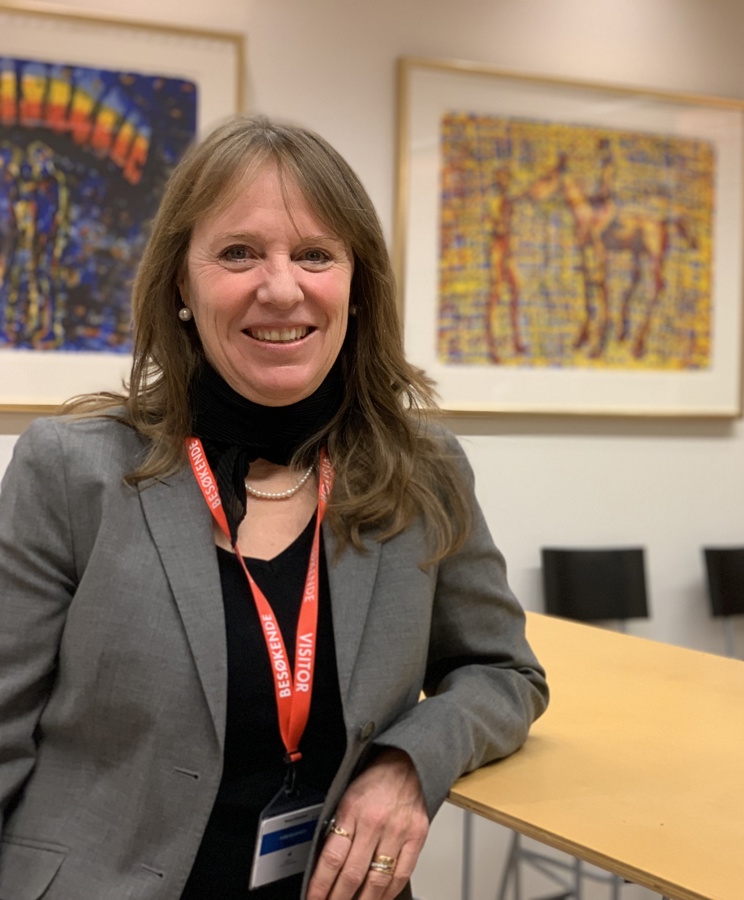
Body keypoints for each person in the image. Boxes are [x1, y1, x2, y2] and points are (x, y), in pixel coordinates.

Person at [0, 117, 549, 900]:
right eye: (238, 253)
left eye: (316, 254)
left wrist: (407, 761)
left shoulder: (422, 471)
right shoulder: (71, 469)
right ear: (180, 286)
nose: (282, 287)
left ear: (356, 287)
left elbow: (503, 672)